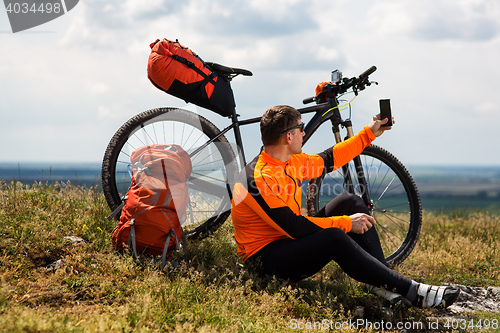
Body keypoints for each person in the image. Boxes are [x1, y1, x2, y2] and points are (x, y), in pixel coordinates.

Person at [231, 105, 460, 308]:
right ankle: (414, 291)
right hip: (266, 260)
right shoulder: (255, 178)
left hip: (289, 243)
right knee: (335, 236)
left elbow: (331, 158)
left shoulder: (291, 161)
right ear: (289, 137)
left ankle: (385, 283)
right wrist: (346, 224)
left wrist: (369, 133)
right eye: (301, 128)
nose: (304, 132)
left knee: (349, 201)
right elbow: (293, 227)